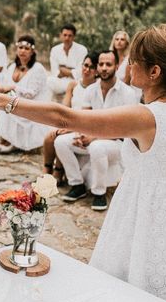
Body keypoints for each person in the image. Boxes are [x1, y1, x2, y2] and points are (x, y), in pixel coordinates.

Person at [0, 23, 166, 302]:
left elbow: (65, 117)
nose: (127, 65)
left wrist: (2, 100)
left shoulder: (146, 116)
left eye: (134, 60)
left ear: (155, 72)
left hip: (143, 224)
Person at [56, 50, 138, 211]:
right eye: (101, 64)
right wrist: (80, 134)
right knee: (61, 142)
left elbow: (124, 129)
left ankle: (99, 193)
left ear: (116, 66)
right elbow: (84, 118)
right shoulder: (91, 90)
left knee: (97, 146)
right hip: (92, 137)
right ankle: (77, 184)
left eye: (108, 64)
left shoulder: (127, 93)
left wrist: (93, 137)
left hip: (117, 144)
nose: (104, 68)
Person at [42, 52, 99, 180]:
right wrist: (63, 124)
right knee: (49, 136)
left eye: (92, 67)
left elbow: (91, 116)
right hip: (69, 120)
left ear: (96, 71)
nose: (87, 70)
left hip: (84, 124)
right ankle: (47, 168)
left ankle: (59, 171)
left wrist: (71, 128)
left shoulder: (96, 89)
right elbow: (64, 108)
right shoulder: (73, 85)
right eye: (85, 65)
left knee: (60, 138)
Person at [0, 35, 49, 153]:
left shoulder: (37, 68)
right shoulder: (12, 66)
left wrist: (13, 87)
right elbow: (5, 84)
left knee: (10, 105)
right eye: (20, 47)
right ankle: (5, 138)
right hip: (15, 100)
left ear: (32, 51)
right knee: (3, 103)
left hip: (32, 104)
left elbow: (32, 94)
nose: (23, 51)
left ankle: (13, 142)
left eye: (26, 48)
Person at [47, 23, 88, 98]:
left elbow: (80, 72)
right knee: (49, 81)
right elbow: (54, 71)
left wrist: (63, 69)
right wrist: (71, 70)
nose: (67, 38)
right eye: (65, 35)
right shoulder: (55, 50)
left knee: (79, 84)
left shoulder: (82, 50)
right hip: (60, 81)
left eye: (70, 35)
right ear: (60, 35)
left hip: (76, 82)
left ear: (74, 37)